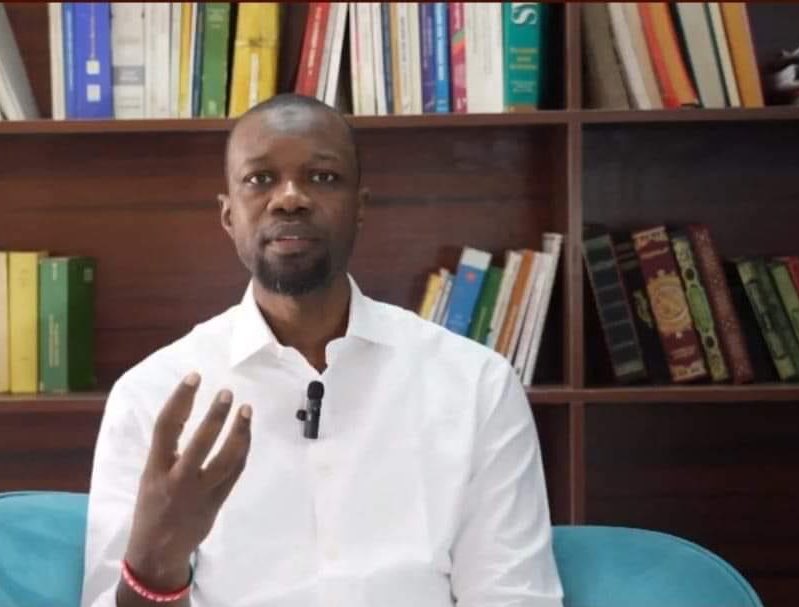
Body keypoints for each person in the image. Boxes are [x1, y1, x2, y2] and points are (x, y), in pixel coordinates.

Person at [80, 93, 563, 607]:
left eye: (323, 177)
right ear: (228, 215)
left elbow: (513, 597)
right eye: (260, 179)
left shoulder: (476, 385)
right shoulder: (150, 396)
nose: (290, 199)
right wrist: (157, 563)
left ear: (360, 207)